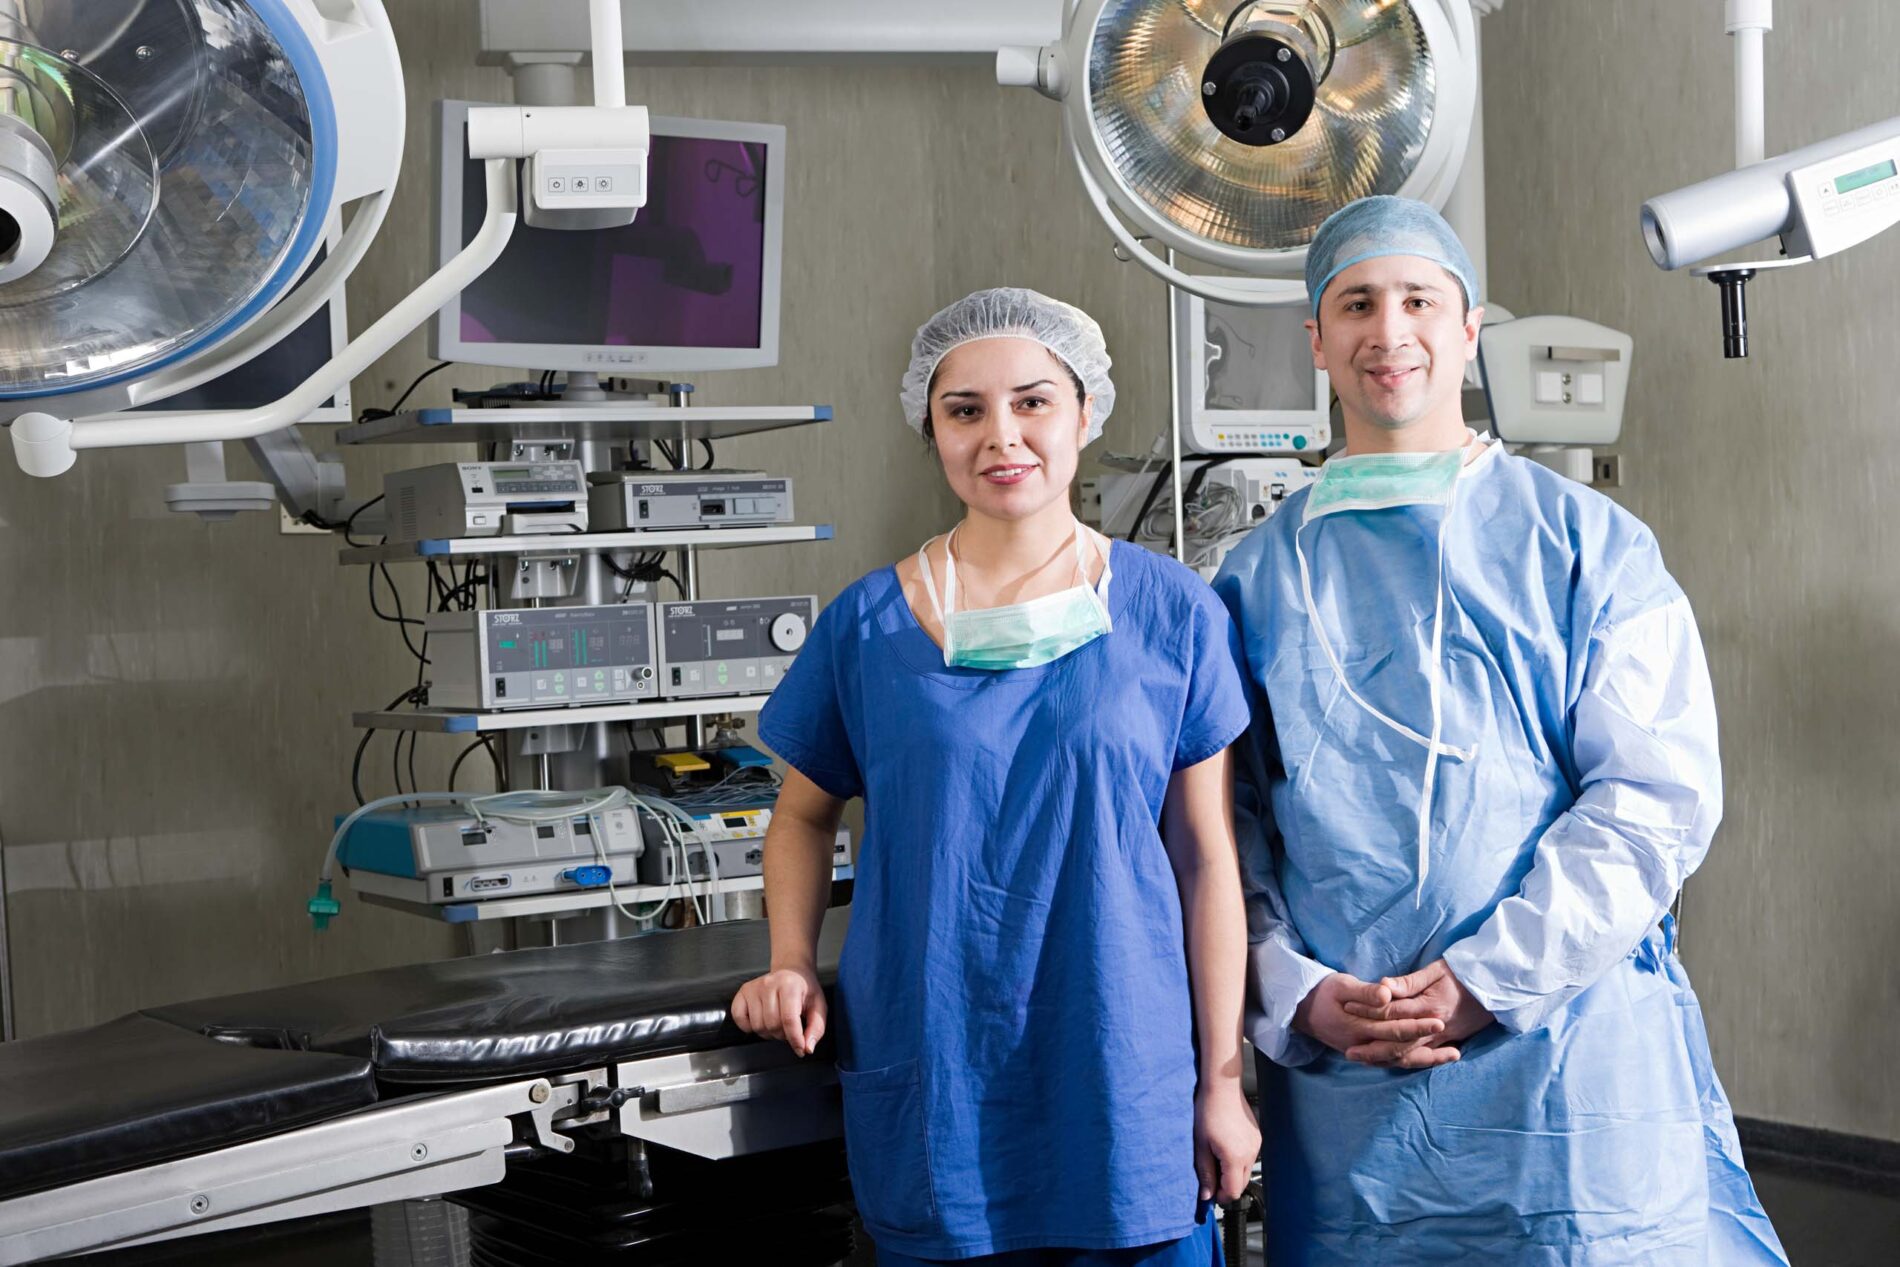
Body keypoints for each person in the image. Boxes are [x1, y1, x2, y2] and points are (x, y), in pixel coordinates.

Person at [1212, 197, 1790, 1264]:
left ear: (1469, 328)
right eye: (1356, 304)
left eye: (1419, 300)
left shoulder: (1586, 544)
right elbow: (1224, 832)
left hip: (1565, 1061)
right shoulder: (1254, 578)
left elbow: (1653, 798)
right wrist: (1295, 993)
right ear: (1316, 340)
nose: (1389, 332)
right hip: (1351, 1085)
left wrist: (1489, 977)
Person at [730, 288, 1260, 1265]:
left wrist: (1221, 1081)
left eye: (1032, 402)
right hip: (940, 1072)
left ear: (1084, 413)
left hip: (1122, 1070)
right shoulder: (867, 626)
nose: (1000, 435)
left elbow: (1205, 858)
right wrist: (790, 958)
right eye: (964, 409)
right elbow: (801, 816)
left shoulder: (1174, 613)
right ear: (928, 427)